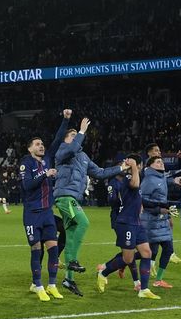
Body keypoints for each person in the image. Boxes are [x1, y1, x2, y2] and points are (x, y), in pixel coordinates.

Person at [54, 117, 127, 296]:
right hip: (65, 196)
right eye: (72, 135)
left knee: (71, 235)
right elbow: (72, 148)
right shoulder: (62, 150)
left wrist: (121, 168)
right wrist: (81, 131)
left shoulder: (83, 157)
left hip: (74, 198)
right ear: (66, 139)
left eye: (76, 135)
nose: (76, 138)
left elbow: (100, 173)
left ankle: (69, 279)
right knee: (83, 222)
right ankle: (72, 261)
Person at [19, 109, 70, 302]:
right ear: (29, 149)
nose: (41, 146)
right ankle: (38, 285)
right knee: (36, 250)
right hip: (32, 214)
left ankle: (52, 285)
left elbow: (57, 139)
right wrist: (44, 174)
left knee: (53, 250)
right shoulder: (26, 163)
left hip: (47, 213)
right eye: (37, 144)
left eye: (42, 144)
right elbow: (27, 185)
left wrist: (65, 119)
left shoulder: (48, 158)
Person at [95, 155, 161, 299]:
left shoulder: (136, 177)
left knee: (147, 253)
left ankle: (144, 289)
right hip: (126, 223)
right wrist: (134, 166)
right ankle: (103, 273)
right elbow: (135, 185)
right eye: (139, 165)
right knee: (127, 258)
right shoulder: (127, 178)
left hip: (136, 222)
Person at [140, 155, 176, 290]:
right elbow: (142, 200)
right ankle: (120, 263)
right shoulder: (148, 180)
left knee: (168, 249)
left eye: (162, 161)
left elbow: (162, 200)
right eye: (158, 162)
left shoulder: (162, 178)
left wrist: (167, 214)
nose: (161, 163)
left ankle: (159, 280)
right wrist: (159, 209)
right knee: (149, 252)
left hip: (162, 221)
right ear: (150, 166)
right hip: (151, 221)